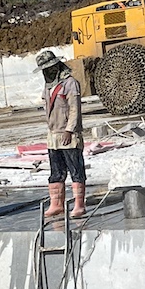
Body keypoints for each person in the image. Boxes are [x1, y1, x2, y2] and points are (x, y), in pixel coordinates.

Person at [36, 49, 86, 220]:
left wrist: (69, 129)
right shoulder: (47, 86)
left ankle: (79, 204)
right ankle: (56, 204)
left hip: (68, 135)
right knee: (56, 170)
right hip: (53, 135)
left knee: (75, 168)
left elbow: (74, 109)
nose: (47, 73)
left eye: (49, 68)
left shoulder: (70, 83)